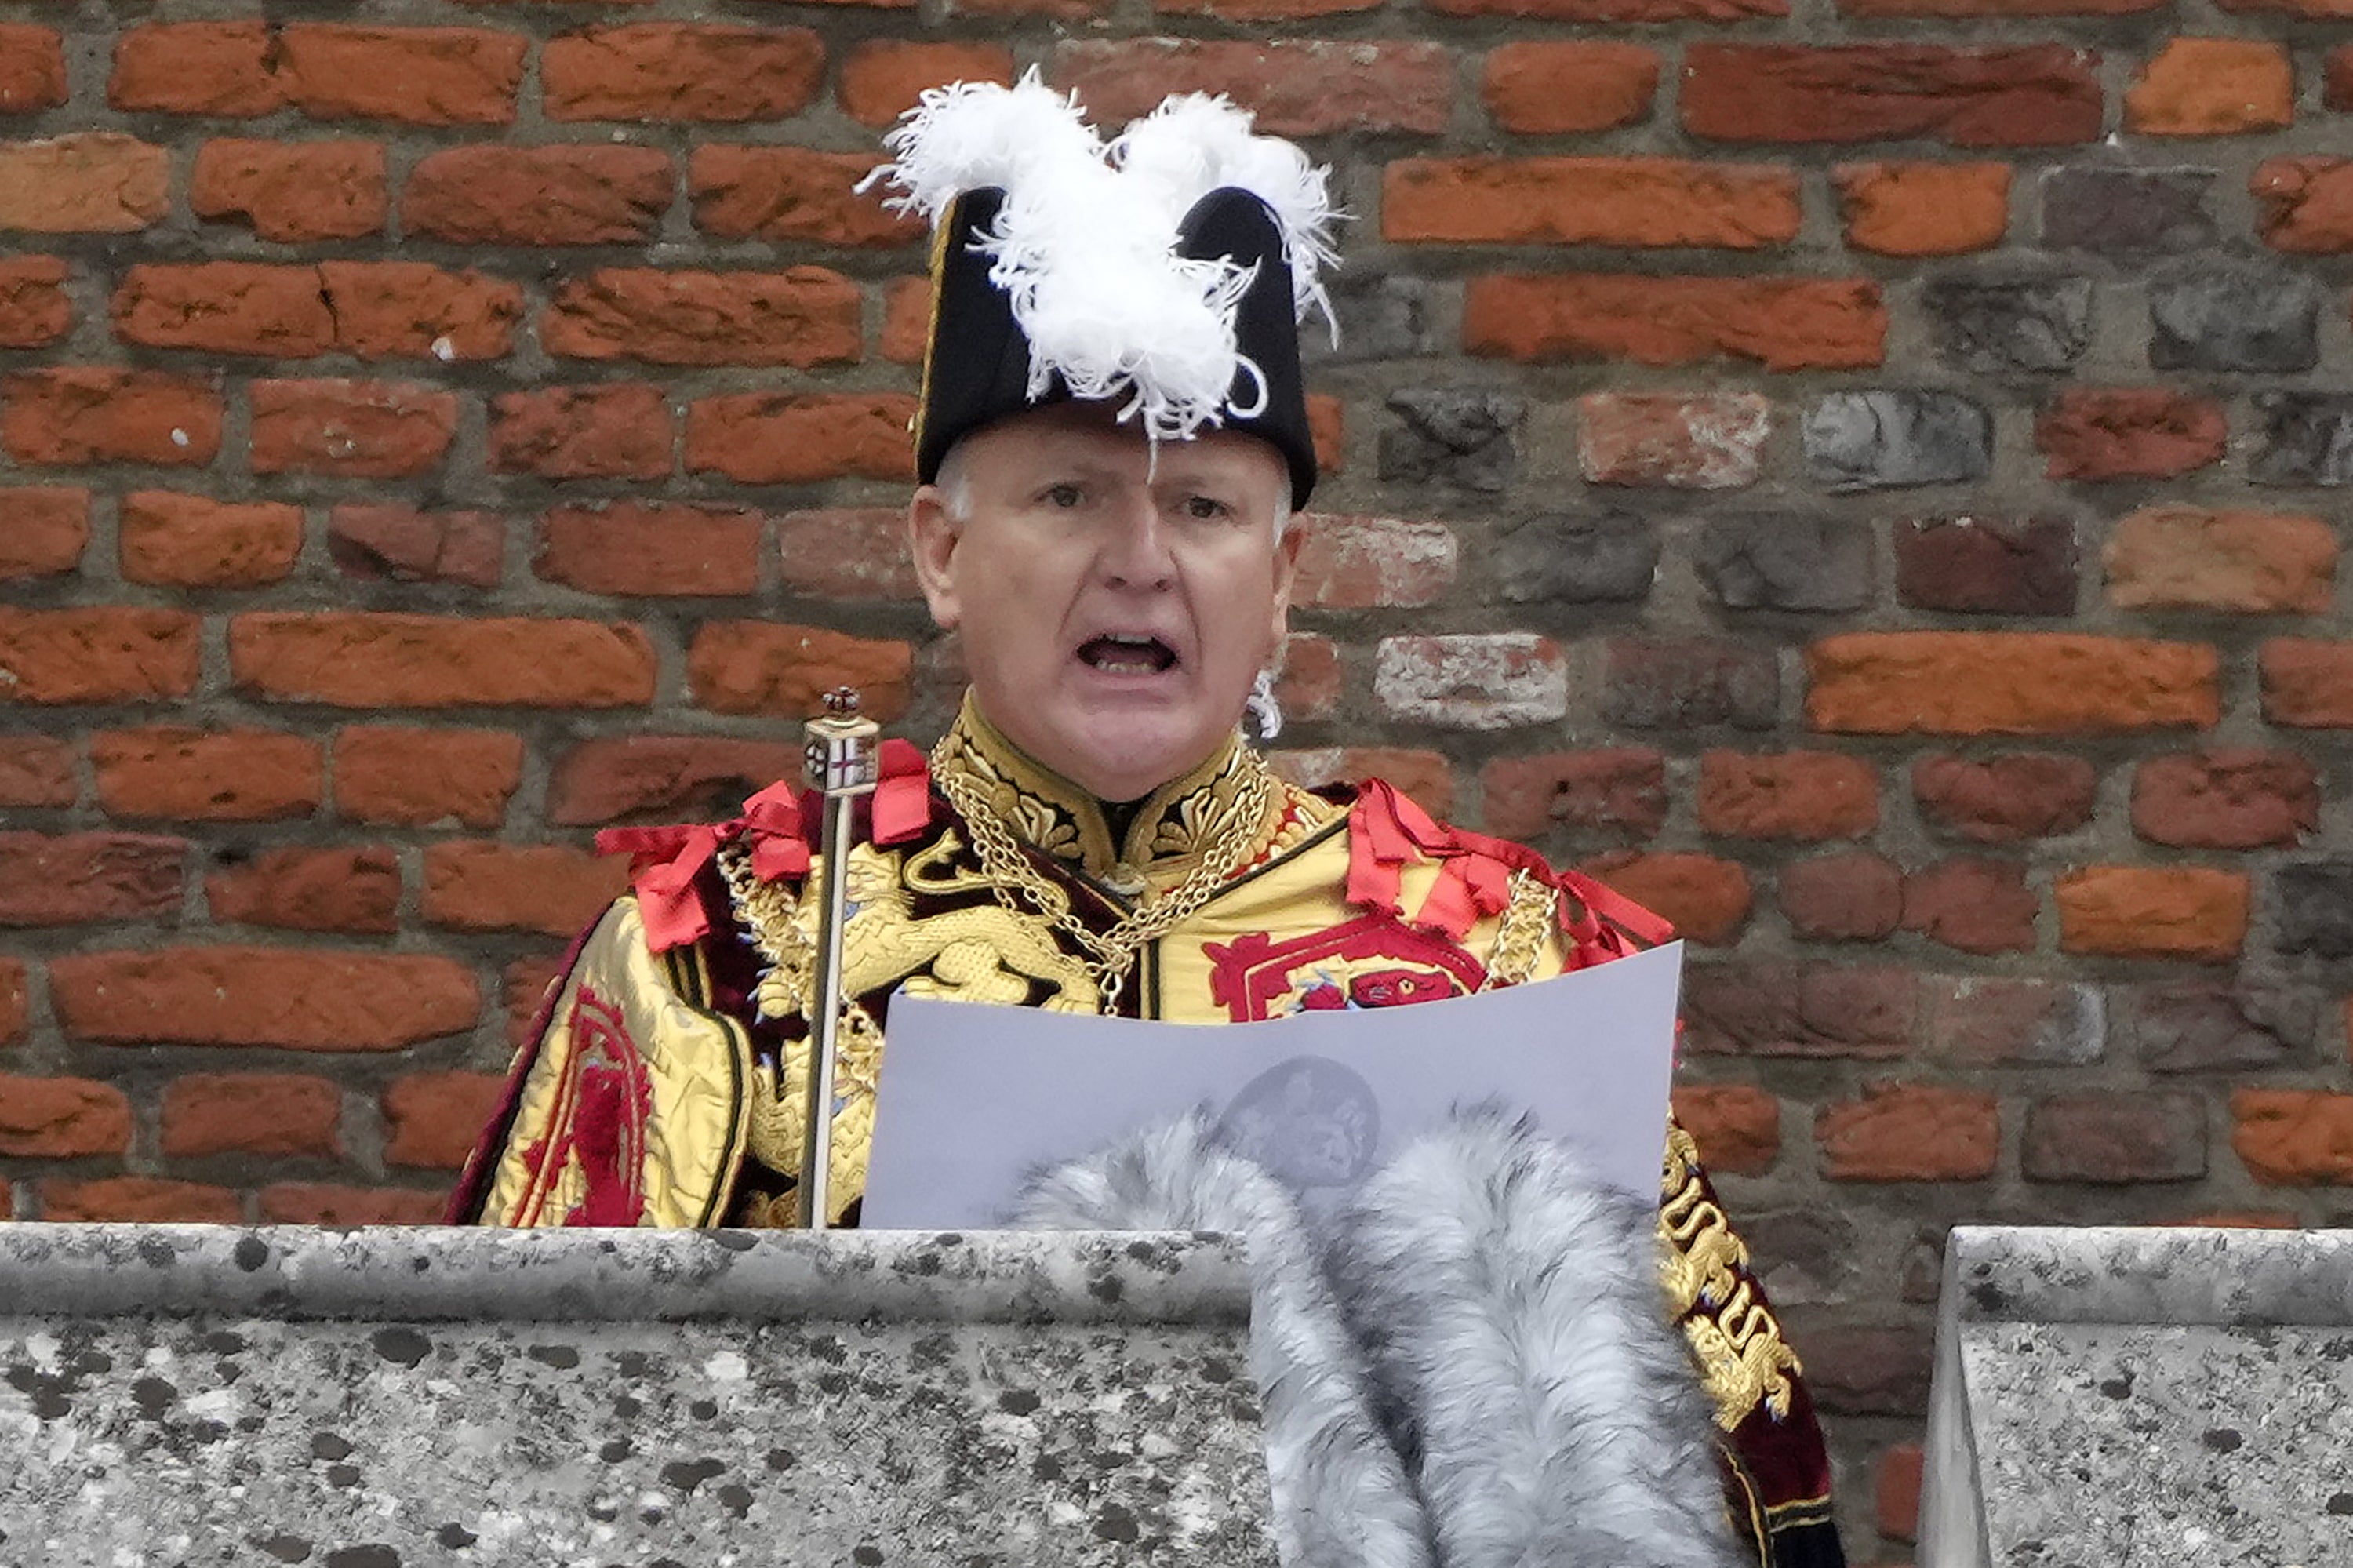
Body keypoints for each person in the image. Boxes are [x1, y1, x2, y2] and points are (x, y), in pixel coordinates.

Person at [449, 77, 1842, 1568]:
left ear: (1287, 574)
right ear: (941, 550)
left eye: (1205, 511)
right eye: (1067, 494)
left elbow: (1756, 1496)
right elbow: (500, 1458)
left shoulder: (1509, 963)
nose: (1139, 563)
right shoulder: (724, 961)